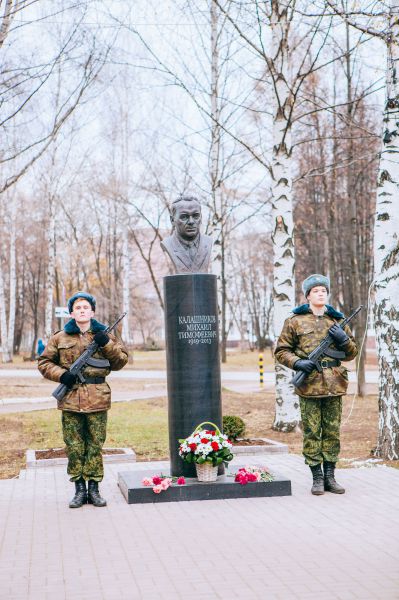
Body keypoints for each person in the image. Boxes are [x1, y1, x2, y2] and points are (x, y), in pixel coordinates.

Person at [38, 292, 128, 508]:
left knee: (95, 445)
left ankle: (94, 489)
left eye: (85, 307)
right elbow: (44, 362)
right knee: (74, 446)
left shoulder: (104, 334)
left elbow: (120, 361)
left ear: (92, 312)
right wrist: (62, 375)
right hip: (70, 399)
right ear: (72, 313)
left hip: (98, 398)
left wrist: (106, 343)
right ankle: (79, 489)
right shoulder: (60, 337)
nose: (82, 311)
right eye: (77, 308)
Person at [275, 274, 358, 496]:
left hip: (334, 385)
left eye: (324, 290)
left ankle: (330, 476)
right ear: (308, 295)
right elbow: (282, 351)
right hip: (310, 385)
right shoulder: (295, 321)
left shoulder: (337, 321)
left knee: (332, 432)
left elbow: (352, 353)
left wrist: (343, 339)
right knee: (312, 433)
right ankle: (317, 478)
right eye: (316, 291)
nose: (321, 294)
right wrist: (299, 362)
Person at [160, 196, 213, 273]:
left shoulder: (208, 242)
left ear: (201, 217)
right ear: (172, 220)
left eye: (195, 216)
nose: (191, 221)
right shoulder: (168, 244)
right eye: (184, 217)